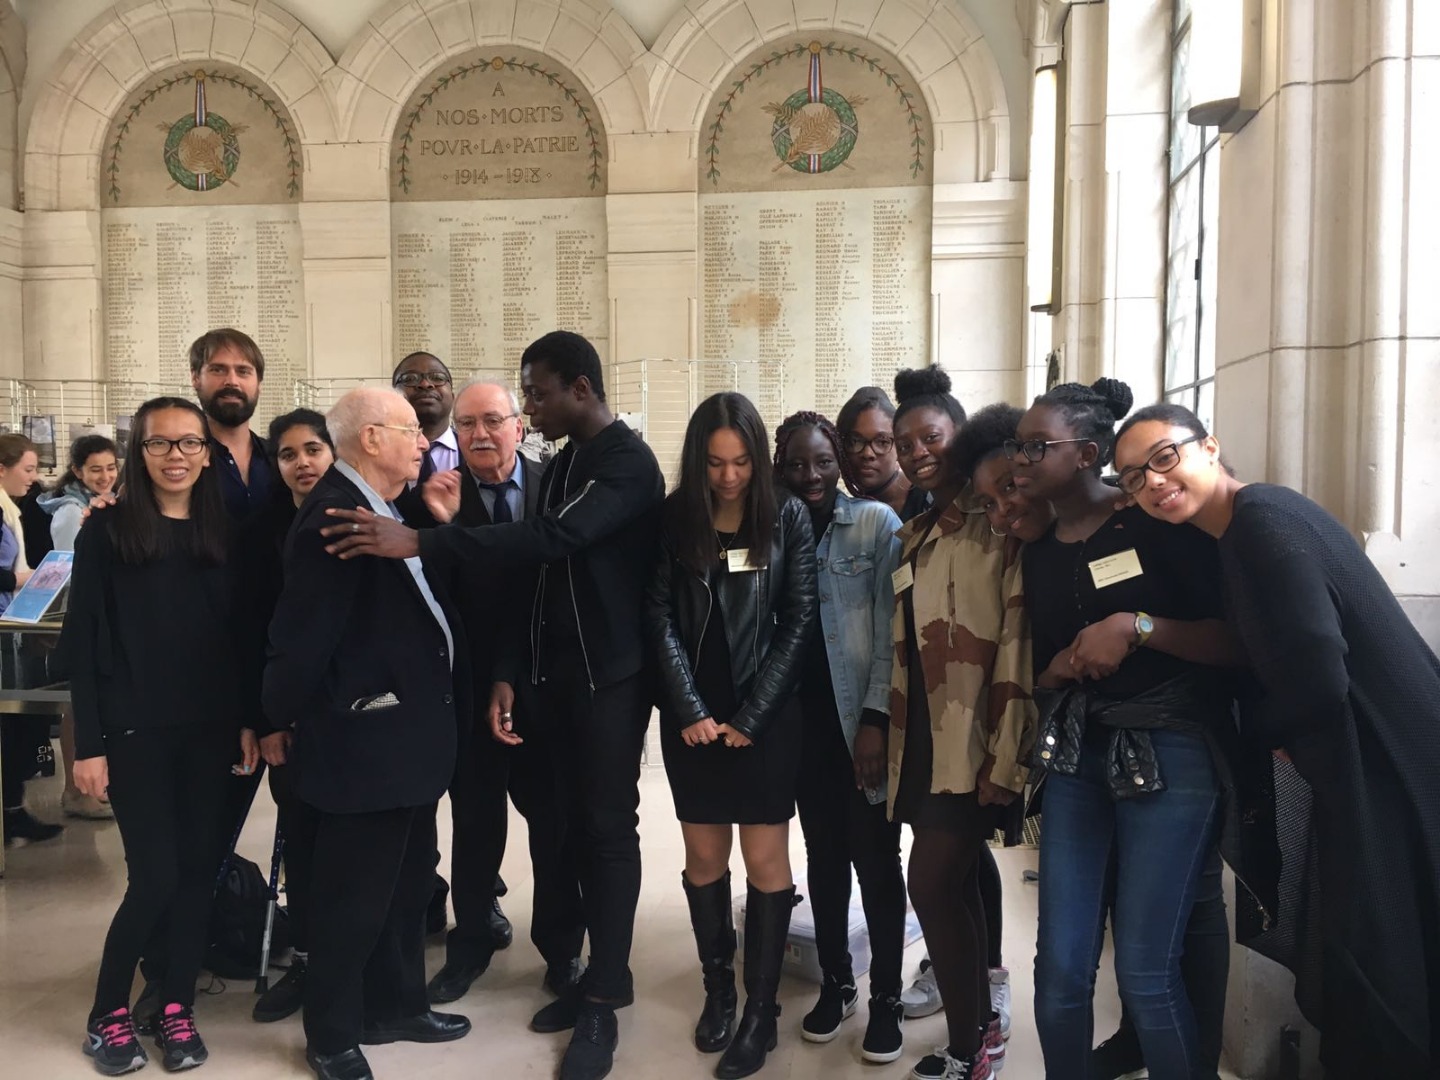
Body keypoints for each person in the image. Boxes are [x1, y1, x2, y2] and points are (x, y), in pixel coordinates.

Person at [319, 331, 664, 1080]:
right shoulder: (573, 458)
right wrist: (509, 671)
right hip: (551, 676)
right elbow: (540, 590)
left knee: (605, 830)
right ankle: (573, 968)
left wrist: (423, 541)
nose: (528, 409)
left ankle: (606, 992)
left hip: (610, 678)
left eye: (535, 394)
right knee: (564, 829)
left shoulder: (626, 462)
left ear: (580, 385)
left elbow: (555, 538)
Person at [1113, 403, 1440, 1077]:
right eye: (1131, 476)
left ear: (1209, 446)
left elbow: (1318, 664)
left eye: (1164, 457)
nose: (1151, 482)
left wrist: (1273, 731)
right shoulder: (1239, 531)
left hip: (1388, 759)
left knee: (1383, 962)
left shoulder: (1262, 521)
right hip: (1368, 758)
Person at [1011, 380, 1246, 1080]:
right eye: (1018, 447)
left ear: (1086, 453)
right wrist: (1054, 670)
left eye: (1035, 447)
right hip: (1081, 753)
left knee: (1145, 970)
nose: (1021, 460)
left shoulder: (1154, 522)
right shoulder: (1040, 550)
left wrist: (1138, 629)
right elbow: (1052, 662)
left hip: (1172, 747)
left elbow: (1234, 640)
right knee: (1059, 971)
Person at [264, 388, 472, 1080]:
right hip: (366, 746)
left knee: (404, 888)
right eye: (412, 431)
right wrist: (274, 719)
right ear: (373, 438)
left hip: (404, 744)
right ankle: (331, 1035)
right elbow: (302, 639)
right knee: (351, 902)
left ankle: (397, 1005)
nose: (424, 443)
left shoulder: (379, 506)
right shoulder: (333, 517)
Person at [62, 397, 260, 1074]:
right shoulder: (107, 531)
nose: (176, 456)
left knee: (198, 874)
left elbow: (238, 641)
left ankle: (177, 1006)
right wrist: (87, 745)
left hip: (207, 732)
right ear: (137, 453)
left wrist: (243, 722)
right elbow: (81, 643)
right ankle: (107, 1012)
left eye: (189, 444)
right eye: (160, 444)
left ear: (209, 453)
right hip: (134, 731)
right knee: (154, 877)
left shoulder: (225, 530)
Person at [867, 370, 1033, 1080]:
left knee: (930, 884)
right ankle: (977, 1032)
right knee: (953, 885)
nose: (915, 452)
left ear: (958, 437)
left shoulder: (999, 520)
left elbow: (1017, 642)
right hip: (926, 740)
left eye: (929, 436)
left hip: (977, 741)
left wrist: (1007, 755)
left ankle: (974, 1044)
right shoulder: (917, 533)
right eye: (904, 443)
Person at [645, 392, 816, 1080]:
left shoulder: (788, 517)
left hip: (765, 718)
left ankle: (761, 1012)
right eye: (715, 463)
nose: (729, 476)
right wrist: (688, 709)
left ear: (759, 458)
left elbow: (800, 620)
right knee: (704, 858)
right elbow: (655, 616)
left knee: (767, 862)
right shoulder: (675, 519)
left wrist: (753, 717)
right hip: (693, 724)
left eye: (741, 461)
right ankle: (720, 991)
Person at [423, 381, 585, 1007]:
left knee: (553, 824)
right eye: (467, 424)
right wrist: (437, 525)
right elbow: (427, 590)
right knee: (475, 824)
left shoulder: (561, 487)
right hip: (468, 689)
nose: (481, 434)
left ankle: (562, 949)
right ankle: (470, 943)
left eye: (494, 419)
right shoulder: (436, 495)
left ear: (521, 426)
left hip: (548, 686)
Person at [772, 411, 908, 1063]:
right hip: (803, 736)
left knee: (878, 862)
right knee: (823, 863)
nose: (811, 476)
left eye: (823, 461)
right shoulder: (771, 533)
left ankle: (887, 999)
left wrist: (877, 721)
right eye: (797, 464)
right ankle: (838, 983)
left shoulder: (876, 526)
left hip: (861, 728)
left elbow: (890, 633)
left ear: (840, 462)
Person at [249, 409, 335, 1025]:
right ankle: (306, 959)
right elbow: (257, 632)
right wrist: (271, 717)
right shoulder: (261, 530)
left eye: (313, 449)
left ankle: (360, 964)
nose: (302, 463)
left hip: (354, 718)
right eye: (287, 454)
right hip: (292, 719)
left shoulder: (359, 514)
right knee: (302, 845)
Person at [36, 434, 121, 822]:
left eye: (110, 468)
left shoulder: (99, 505)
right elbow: (75, 572)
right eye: (95, 469)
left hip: (95, 618)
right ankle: (76, 790)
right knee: (77, 704)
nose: (104, 476)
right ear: (77, 471)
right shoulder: (74, 513)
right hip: (77, 618)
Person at [0, 434, 63, 848]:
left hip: (13, 621)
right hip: (5, 625)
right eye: (27, 469)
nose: (34, 478)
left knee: (17, 724)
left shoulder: (11, 511)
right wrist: (22, 579)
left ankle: (12, 811)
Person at [191, 328, 271, 520]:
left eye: (243, 371)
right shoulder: (177, 460)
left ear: (259, 383)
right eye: (218, 370)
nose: (232, 381)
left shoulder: (279, 457)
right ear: (195, 378)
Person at [837, 387, 929, 522]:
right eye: (855, 441)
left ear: (899, 446)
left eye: (882, 441)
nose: (867, 453)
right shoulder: (842, 510)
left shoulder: (929, 500)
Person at [393, 351, 459, 481]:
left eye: (438, 378)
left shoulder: (473, 449)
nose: (425, 384)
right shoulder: (375, 454)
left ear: (453, 397)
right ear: (393, 397)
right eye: (410, 378)